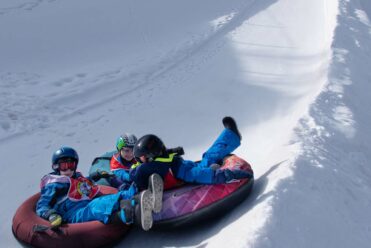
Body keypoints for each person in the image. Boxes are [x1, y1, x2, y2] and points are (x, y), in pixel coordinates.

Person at [36, 146, 163, 231]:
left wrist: (92, 177)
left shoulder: (77, 178)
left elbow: (83, 187)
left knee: (114, 196)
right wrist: (52, 215)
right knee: (97, 206)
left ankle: (142, 195)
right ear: (56, 167)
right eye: (64, 166)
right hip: (73, 214)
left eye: (71, 165)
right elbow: (42, 205)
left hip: (86, 204)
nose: (68, 169)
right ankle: (131, 211)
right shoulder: (54, 184)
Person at [130, 116, 253, 190]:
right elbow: (198, 174)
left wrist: (233, 174)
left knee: (207, 159)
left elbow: (200, 173)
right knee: (207, 159)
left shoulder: (173, 166)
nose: (141, 162)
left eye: (142, 159)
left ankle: (231, 135)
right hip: (188, 168)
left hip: (188, 168)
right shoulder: (166, 166)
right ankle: (230, 137)